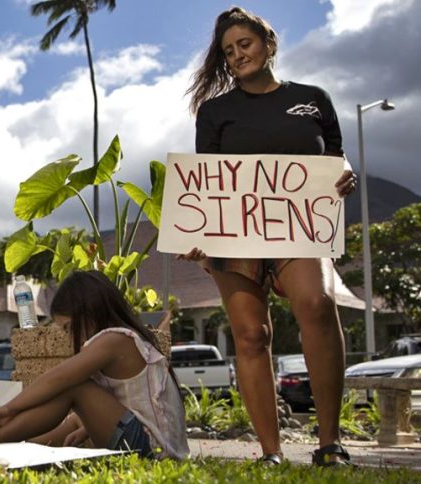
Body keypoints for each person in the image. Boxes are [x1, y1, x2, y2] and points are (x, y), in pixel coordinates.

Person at [182, 7, 357, 466]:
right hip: (238, 237)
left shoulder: (313, 99)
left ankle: (329, 442)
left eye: (245, 44)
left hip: (300, 228)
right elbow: (209, 182)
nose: (238, 55)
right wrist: (202, 238)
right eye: (229, 51)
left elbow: (336, 159)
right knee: (250, 335)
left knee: (316, 305)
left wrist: (346, 175)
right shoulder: (215, 111)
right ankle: (271, 452)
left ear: (268, 44)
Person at [0, 271, 188, 460]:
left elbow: (58, 379)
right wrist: (85, 427)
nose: (69, 335)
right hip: (152, 444)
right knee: (75, 419)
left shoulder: (115, 340)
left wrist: (9, 409)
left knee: (76, 387)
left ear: (90, 311)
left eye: (68, 327)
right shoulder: (128, 340)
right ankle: (18, 447)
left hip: (154, 450)